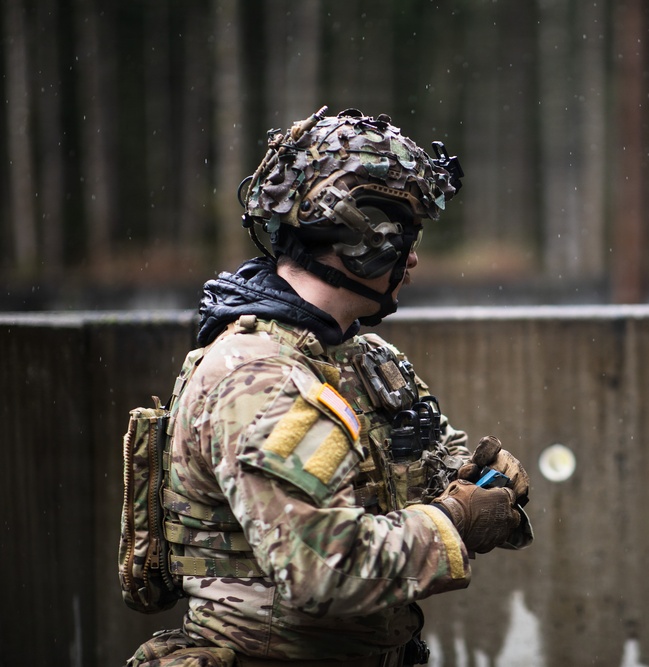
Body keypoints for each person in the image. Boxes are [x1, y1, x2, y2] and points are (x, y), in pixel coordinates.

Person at [126, 107, 532, 667]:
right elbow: (324, 569)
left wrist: (479, 484)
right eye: (405, 233)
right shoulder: (258, 378)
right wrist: (456, 521)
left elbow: (421, 471)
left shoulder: (362, 357)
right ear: (360, 234)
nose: (413, 256)